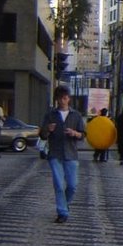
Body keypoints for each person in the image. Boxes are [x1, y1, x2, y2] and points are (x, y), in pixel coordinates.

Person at [40, 85, 86, 223]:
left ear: (69, 99)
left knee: (72, 185)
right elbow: (42, 135)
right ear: (56, 100)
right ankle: (62, 212)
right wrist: (48, 129)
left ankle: (65, 204)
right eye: (60, 99)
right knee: (59, 184)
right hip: (55, 154)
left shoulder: (76, 115)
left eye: (65, 98)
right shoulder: (50, 115)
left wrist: (75, 133)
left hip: (71, 154)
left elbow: (83, 135)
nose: (63, 101)